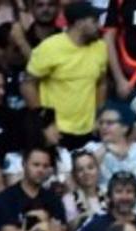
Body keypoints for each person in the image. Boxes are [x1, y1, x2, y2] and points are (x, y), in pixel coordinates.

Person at [21, 2, 107, 148]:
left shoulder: (100, 47)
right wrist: (44, 123)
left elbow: (102, 82)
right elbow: (27, 84)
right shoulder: (50, 48)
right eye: (94, 21)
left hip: (88, 130)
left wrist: (99, 116)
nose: (98, 26)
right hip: (57, 131)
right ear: (79, 23)